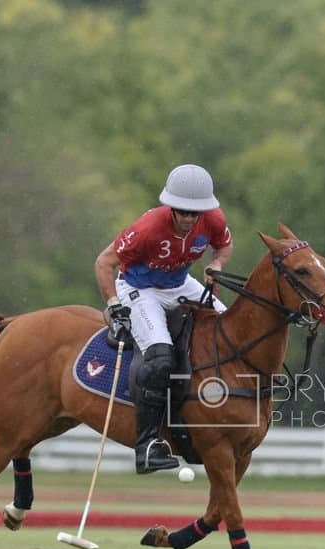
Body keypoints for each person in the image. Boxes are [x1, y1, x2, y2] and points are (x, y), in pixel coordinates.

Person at [94, 164, 233, 474]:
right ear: (171, 207)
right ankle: (148, 446)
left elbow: (224, 245)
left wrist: (217, 265)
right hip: (140, 288)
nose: (187, 219)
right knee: (160, 359)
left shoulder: (213, 220)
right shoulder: (148, 228)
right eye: (182, 211)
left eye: (194, 213)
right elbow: (104, 263)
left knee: (229, 333)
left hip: (180, 283)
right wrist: (114, 303)